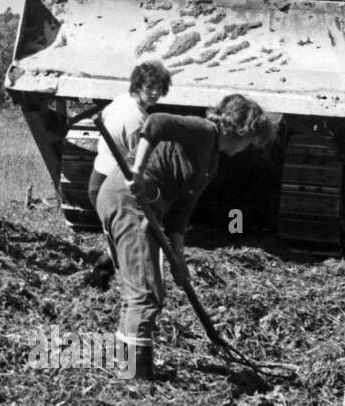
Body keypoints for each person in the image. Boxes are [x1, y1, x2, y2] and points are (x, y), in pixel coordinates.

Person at [96, 93, 275, 381]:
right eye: (250, 139)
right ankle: (135, 377)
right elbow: (156, 122)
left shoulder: (211, 162)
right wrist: (139, 170)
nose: (248, 147)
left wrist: (179, 261)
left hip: (141, 205)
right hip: (129, 199)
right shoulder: (205, 131)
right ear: (240, 129)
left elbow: (180, 215)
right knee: (146, 291)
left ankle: (128, 364)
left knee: (143, 290)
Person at [87, 57, 172, 208]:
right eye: (149, 87)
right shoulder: (138, 121)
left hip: (99, 175)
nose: (155, 93)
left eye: (159, 88)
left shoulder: (122, 100)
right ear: (138, 86)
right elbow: (140, 163)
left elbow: (104, 117)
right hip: (112, 183)